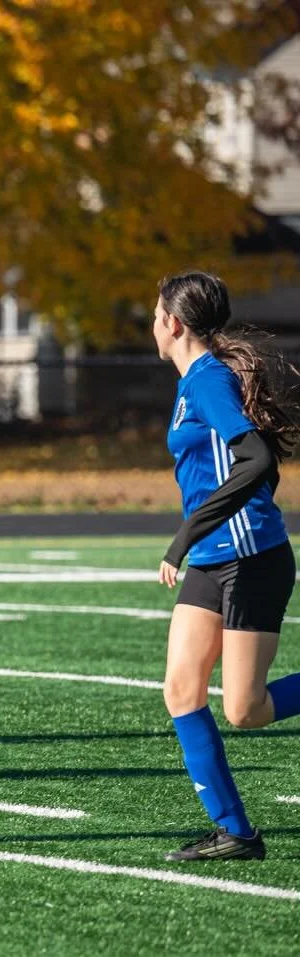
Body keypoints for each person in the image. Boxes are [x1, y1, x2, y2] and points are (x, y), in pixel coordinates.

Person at [153, 271, 300, 861]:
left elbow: (256, 458)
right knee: (181, 690)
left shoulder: (208, 380)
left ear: (174, 323)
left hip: (249, 557)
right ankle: (237, 832)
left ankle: (237, 831)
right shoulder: (194, 381)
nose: (152, 323)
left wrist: (187, 531)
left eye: (155, 312)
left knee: (245, 708)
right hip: (216, 560)